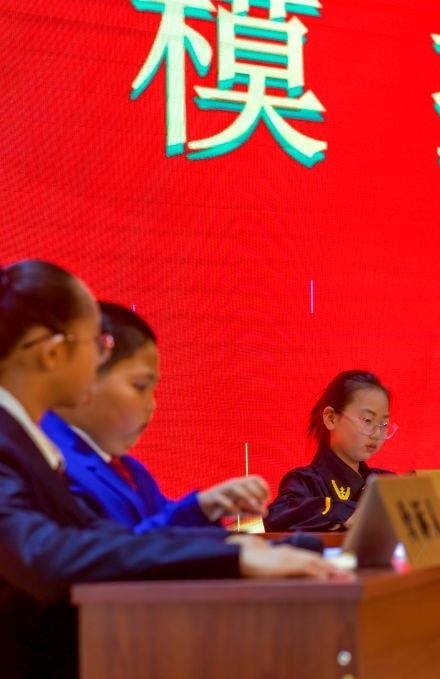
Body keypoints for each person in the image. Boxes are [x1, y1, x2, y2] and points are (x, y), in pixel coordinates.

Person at [0, 259, 338, 678]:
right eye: (97, 341)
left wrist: (234, 548)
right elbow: (45, 555)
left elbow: (104, 537)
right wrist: (229, 556)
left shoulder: (25, 444)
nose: (103, 353)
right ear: (52, 352)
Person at [40, 302, 269, 534]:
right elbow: (108, 548)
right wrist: (201, 509)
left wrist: (212, 511)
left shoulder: (132, 470)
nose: (152, 405)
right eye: (140, 386)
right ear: (85, 373)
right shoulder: (49, 462)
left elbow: (168, 528)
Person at [265, 370, 395, 531]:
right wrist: (346, 512)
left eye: (383, 424)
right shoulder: (305, 481)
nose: (376, 434)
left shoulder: (386, 482)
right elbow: (277, 515)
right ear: (331, 418)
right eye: (367, 420)